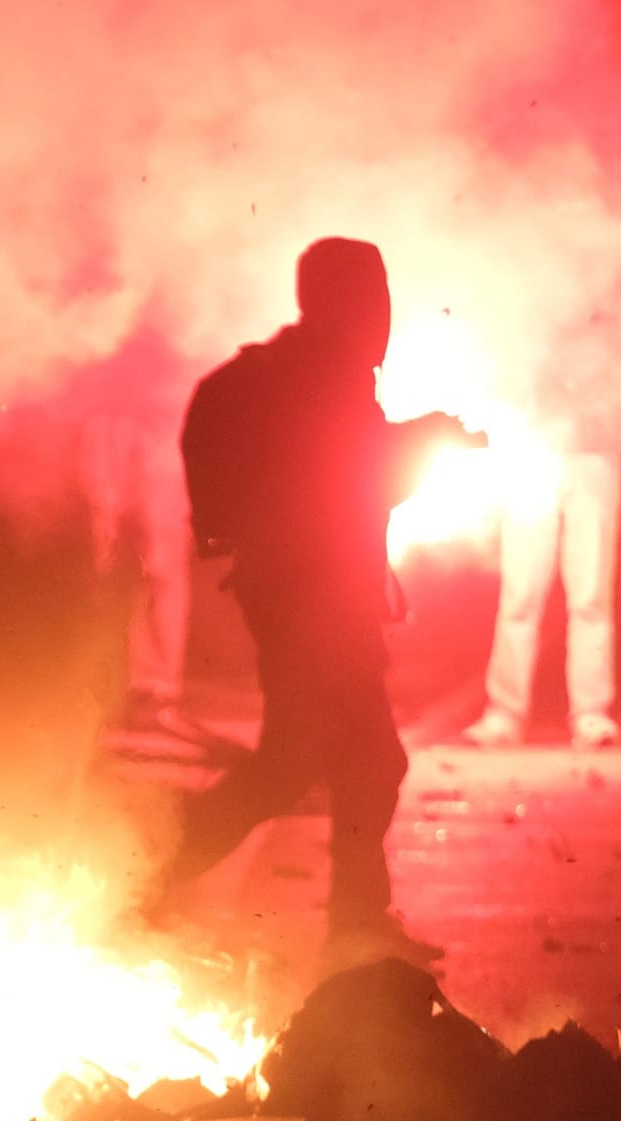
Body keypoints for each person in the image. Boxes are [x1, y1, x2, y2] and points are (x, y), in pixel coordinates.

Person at [151, 236, 458, 965]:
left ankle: (350, 919)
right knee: (315, 763)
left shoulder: (311, 369)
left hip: (311, 599)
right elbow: (360, 475)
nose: (381, 313)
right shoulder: (318, 375)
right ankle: (145, 873)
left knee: (355, 763)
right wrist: (432, 442)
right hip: (311, 605)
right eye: (371, 296)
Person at [461, 311, 621, 750]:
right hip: (532, 449)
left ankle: (591, 714)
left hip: (593, 453)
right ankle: (505, 714)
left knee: (590, 594)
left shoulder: (609, 301)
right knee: (520, 593)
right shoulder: (538, 287)